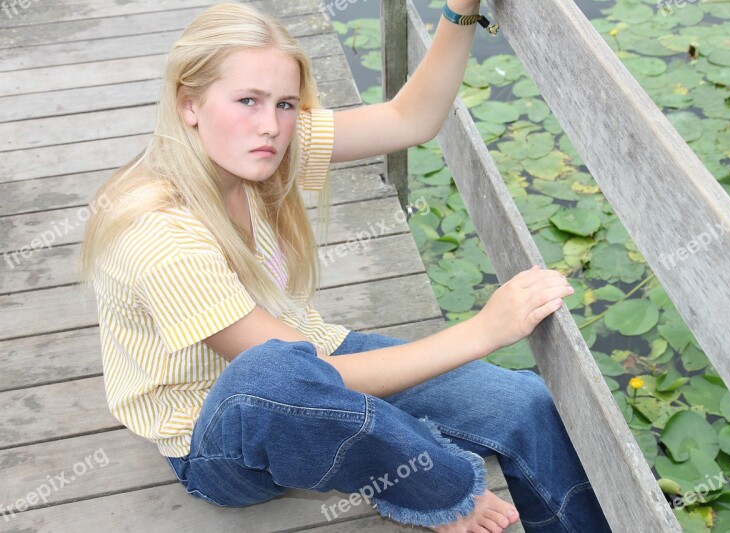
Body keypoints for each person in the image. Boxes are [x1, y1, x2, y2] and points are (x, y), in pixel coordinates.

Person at [78, 2, 611, 531]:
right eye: (247, 100)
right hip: (217, 443)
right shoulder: (159, 235)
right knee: (273, 371)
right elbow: (289, 379)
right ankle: (436, 487)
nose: (270, 124)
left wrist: (459, 10)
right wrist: (484, 331)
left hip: (312, 357)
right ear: (188, 103)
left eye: (286, 104)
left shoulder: (261, 147)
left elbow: (411, 118)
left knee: (523, 402)